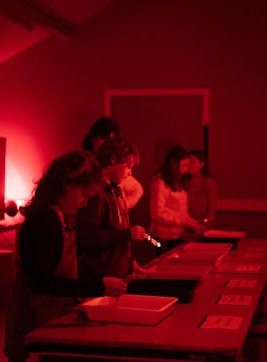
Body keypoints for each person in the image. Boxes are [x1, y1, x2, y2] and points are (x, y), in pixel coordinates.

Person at [3, 150, 129, 362]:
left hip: (49, 319)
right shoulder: (43, 221)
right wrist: (97, 286)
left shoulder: (59, 218)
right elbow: (42, 281)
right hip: (35, 319)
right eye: (84, 195)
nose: (85, 202)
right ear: (67, 186)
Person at [77, 137, 147, 280]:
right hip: (102, 278)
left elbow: (122, 228)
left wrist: (131, 260)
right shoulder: (96, 193)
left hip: (118, 274)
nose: (130, 173)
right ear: (113, 159)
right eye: (128, 166)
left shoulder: (117, 190)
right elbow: (87, 237)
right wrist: (127, 235)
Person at [148, 146, 205, 253]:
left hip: (177, 236)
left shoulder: (179, 182)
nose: (186, 169)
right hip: (161, 237)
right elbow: (156, 214)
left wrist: (194, 223)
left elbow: (181, 212)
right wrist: (184, 221)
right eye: (183, 165)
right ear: (173, 164)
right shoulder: (160, 184)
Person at [82, 116, 144, 209]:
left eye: (111, 140)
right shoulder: (86, 163)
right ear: (93, 139)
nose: (107, 143)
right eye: (104, 138)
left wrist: (120, 206)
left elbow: (137, 189)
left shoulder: (116, 181)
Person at [186, 149, 218, 226]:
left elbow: (211, 211)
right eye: (187, 162)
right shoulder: (183, 183)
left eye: (192, 161)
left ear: (201, 164)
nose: (188, 164)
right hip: (186, 225)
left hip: (205, 225)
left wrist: (203, 224)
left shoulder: (209, 183)